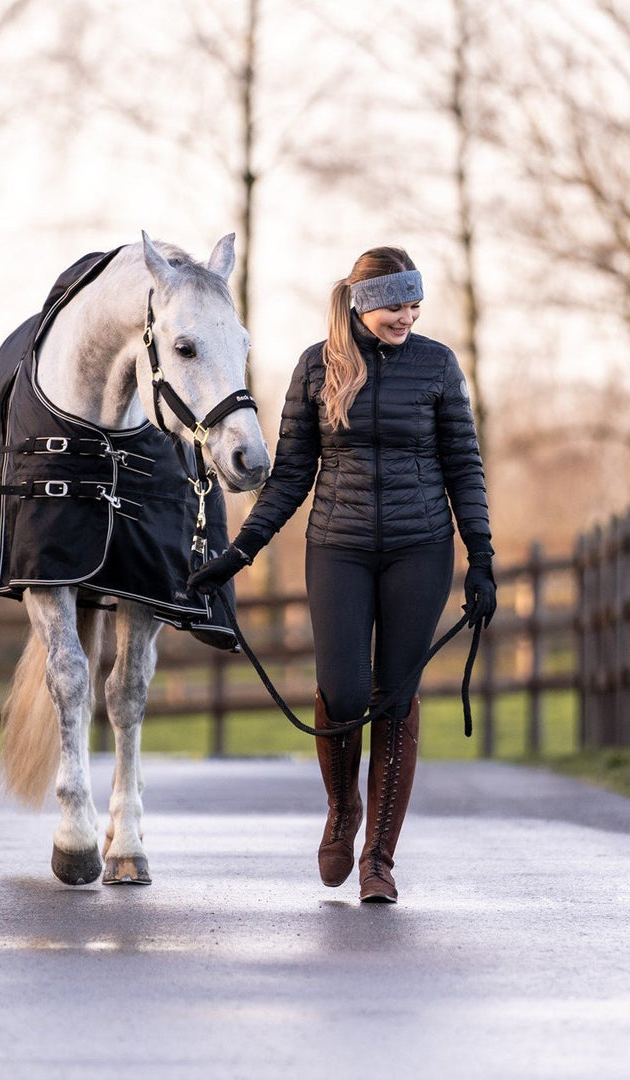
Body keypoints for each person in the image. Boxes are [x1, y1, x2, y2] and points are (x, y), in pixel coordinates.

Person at [188, 247, 496, 903]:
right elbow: (291, 477)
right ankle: (342, 810)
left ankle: (379, 858)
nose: (407, 316)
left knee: (394, 695)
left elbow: (465, 468)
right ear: (361, 303)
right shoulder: (315, 368)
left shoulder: (437, 365)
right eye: (395, 303)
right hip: (339, 547)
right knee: (344, 690)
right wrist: (238, 553)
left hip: (422, 548)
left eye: (415, 304)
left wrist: (483, 560)